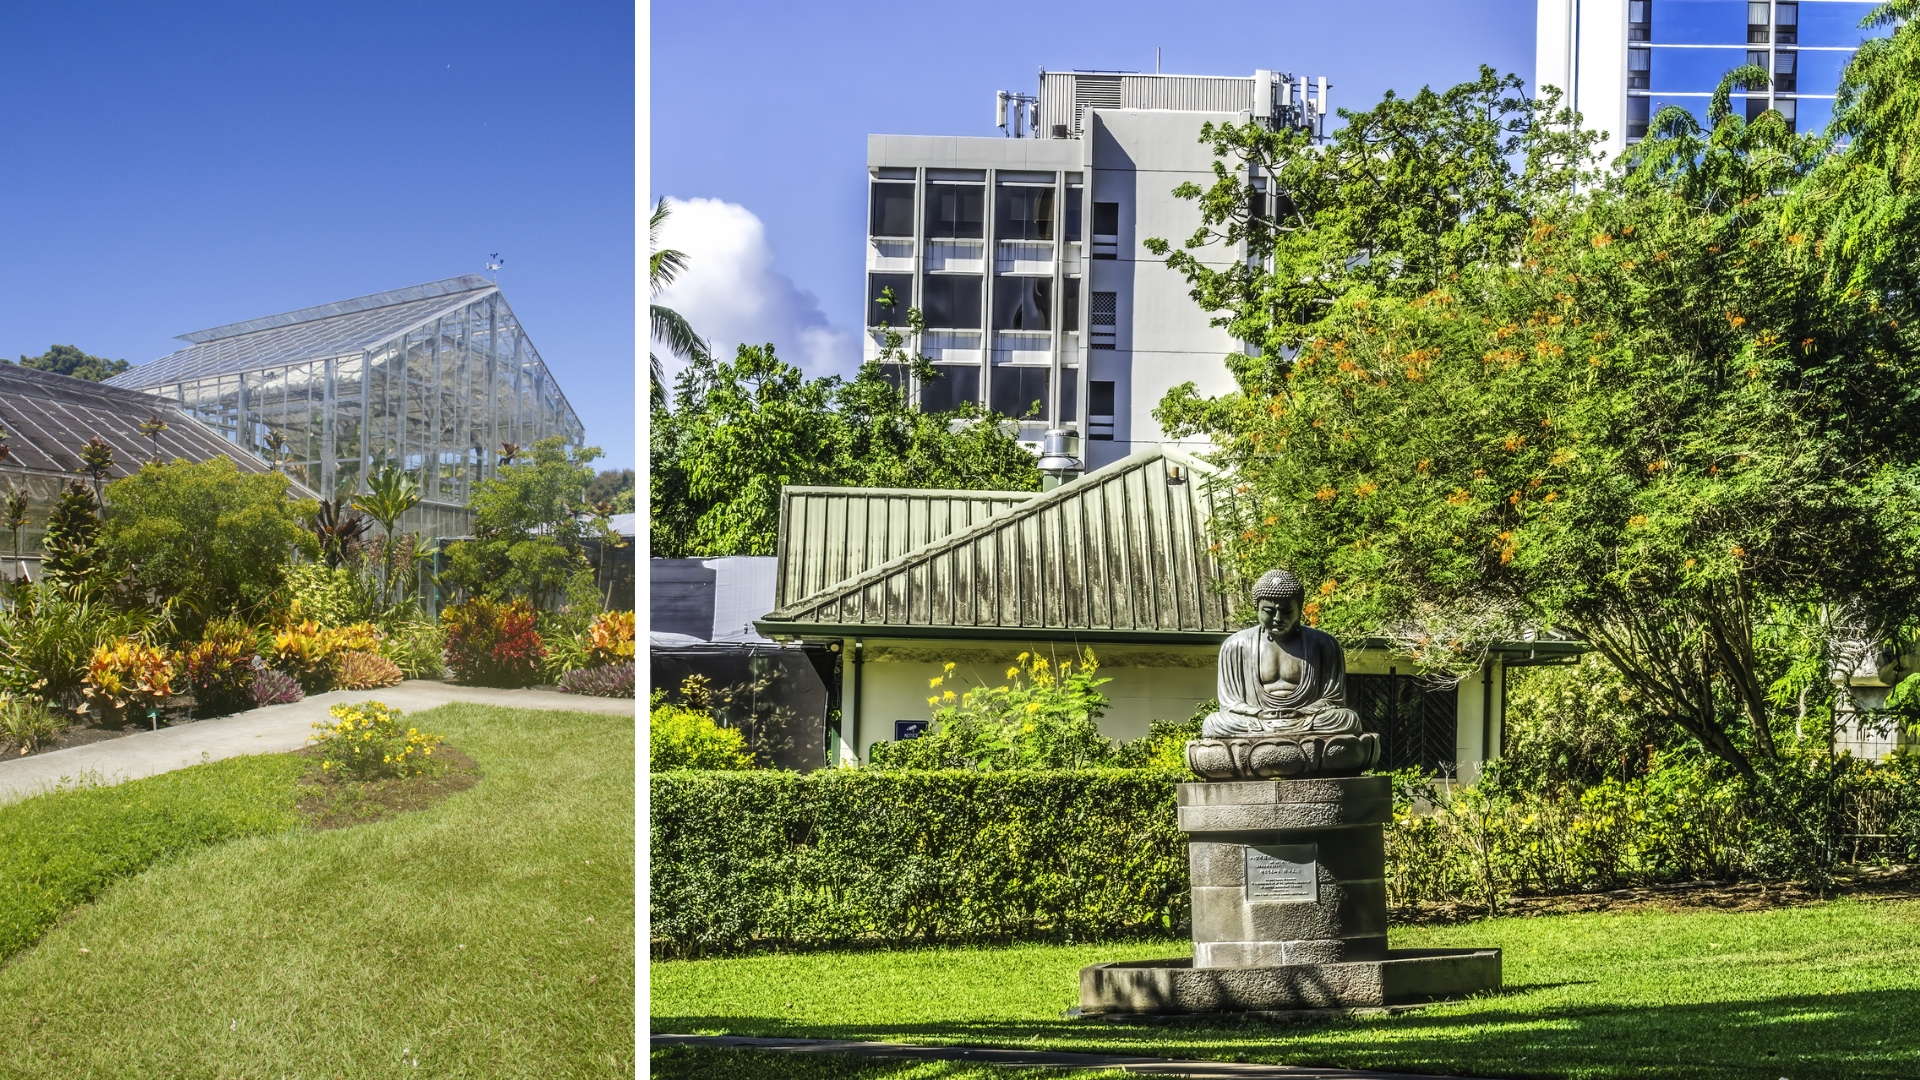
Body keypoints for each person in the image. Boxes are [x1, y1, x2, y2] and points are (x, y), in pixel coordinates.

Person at [1201, 568, 1364, 739]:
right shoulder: (1235, 646)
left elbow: (1333, 700)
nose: (1278, 618)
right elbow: (1230, 703)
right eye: (1269, 612)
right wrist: (1259, 714)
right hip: (1256, 721)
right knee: (1214, 722)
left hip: (1306, 719)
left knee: (1346, 719)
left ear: (1299, 609)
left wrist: (1301, 713)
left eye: (1286, 612)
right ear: (1257, 608)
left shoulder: (1323, 644)